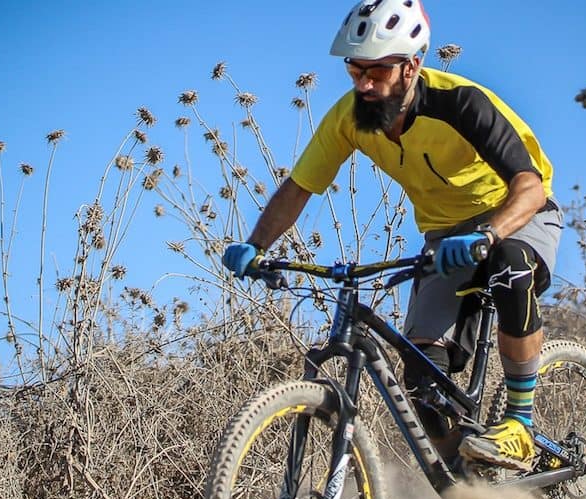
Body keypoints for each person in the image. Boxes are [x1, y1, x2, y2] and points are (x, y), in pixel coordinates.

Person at [221, 0, 562, 472]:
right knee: (423, 385)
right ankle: (472, 489)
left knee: (509, 266)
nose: (364, 84)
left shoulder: (460, 103)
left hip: (516, 215)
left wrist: (488, 234)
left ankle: (519, 426)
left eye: (377, 71)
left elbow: (529, 188)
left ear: (412, 66)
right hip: (445, 236)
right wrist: (256, 244)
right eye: (355, 70)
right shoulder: (349, 118)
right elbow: (299, 187)